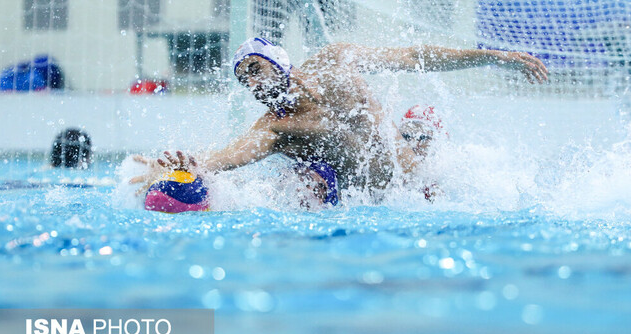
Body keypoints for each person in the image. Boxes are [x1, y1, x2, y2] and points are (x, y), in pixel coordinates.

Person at [131, 37, 548, 199]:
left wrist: (494, 58)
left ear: (281, 64)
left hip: (413, 182)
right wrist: (180, 165)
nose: (252, 85)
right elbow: (230, 154)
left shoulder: (336, 63)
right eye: (244, 80)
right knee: (304, 188)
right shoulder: (277, 127)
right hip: (369, 200)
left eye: (256, 70)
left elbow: (414, 56)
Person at [138, 154, 340, 212]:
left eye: (317, 186)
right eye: (302, 179)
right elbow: (227, 185)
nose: (303, 189)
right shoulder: (266, 199)